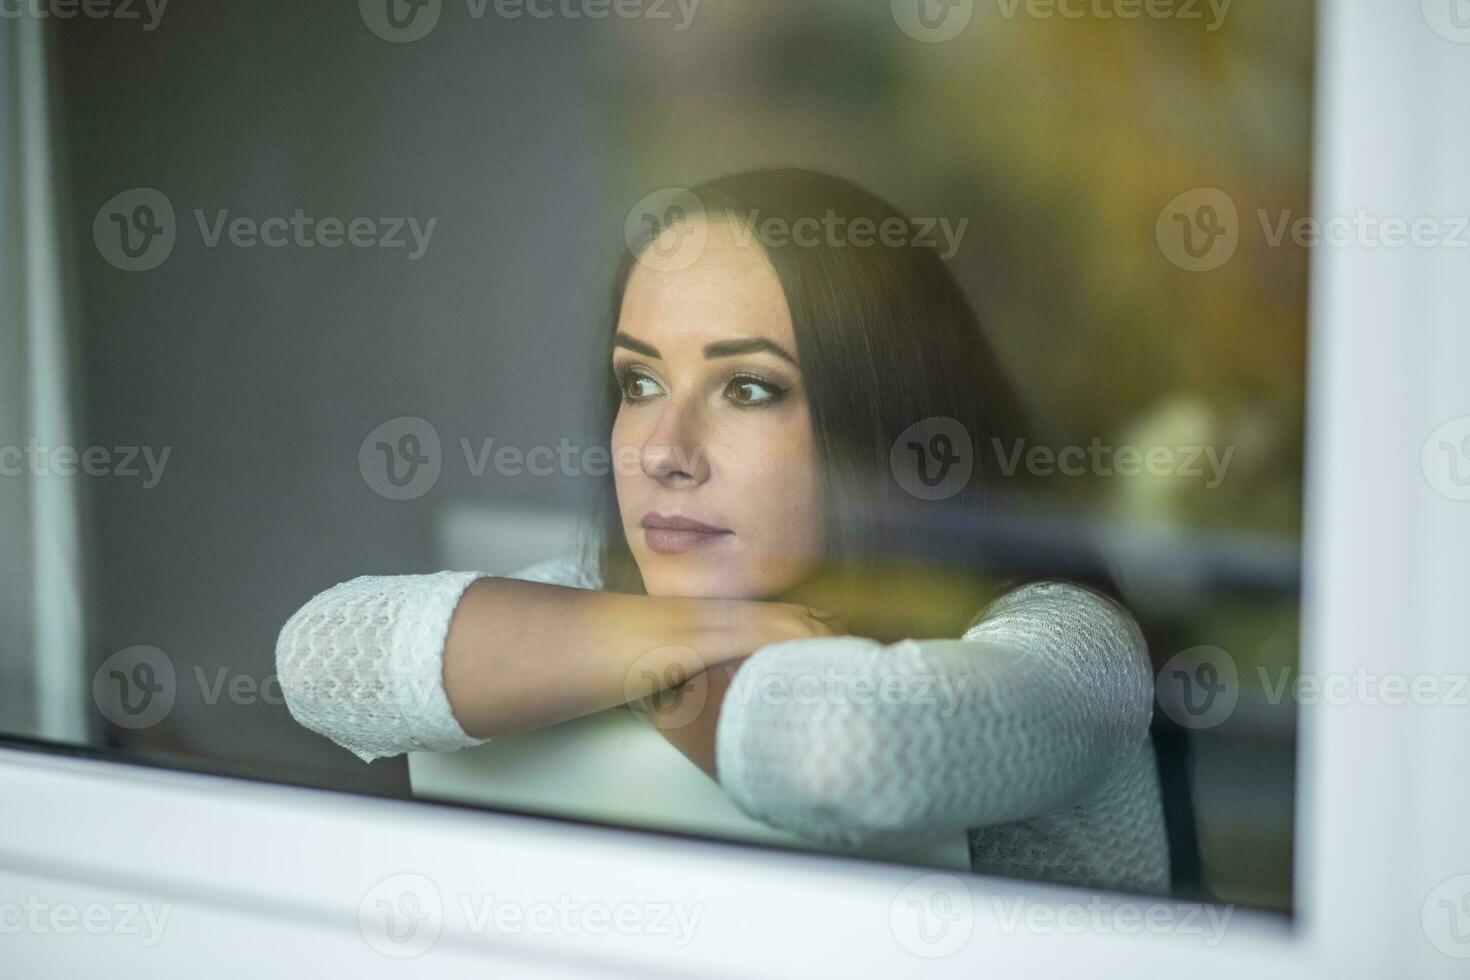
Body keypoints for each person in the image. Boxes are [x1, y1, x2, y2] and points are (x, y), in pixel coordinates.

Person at [276, 168, 1171, 894]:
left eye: (747, 388)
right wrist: (711, 631)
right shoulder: (656, 589)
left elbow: (850, 754)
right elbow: (324, 658)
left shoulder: (1069, 642)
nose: (665, 451)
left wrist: (633, 658)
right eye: (639, 384)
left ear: (882, 426)